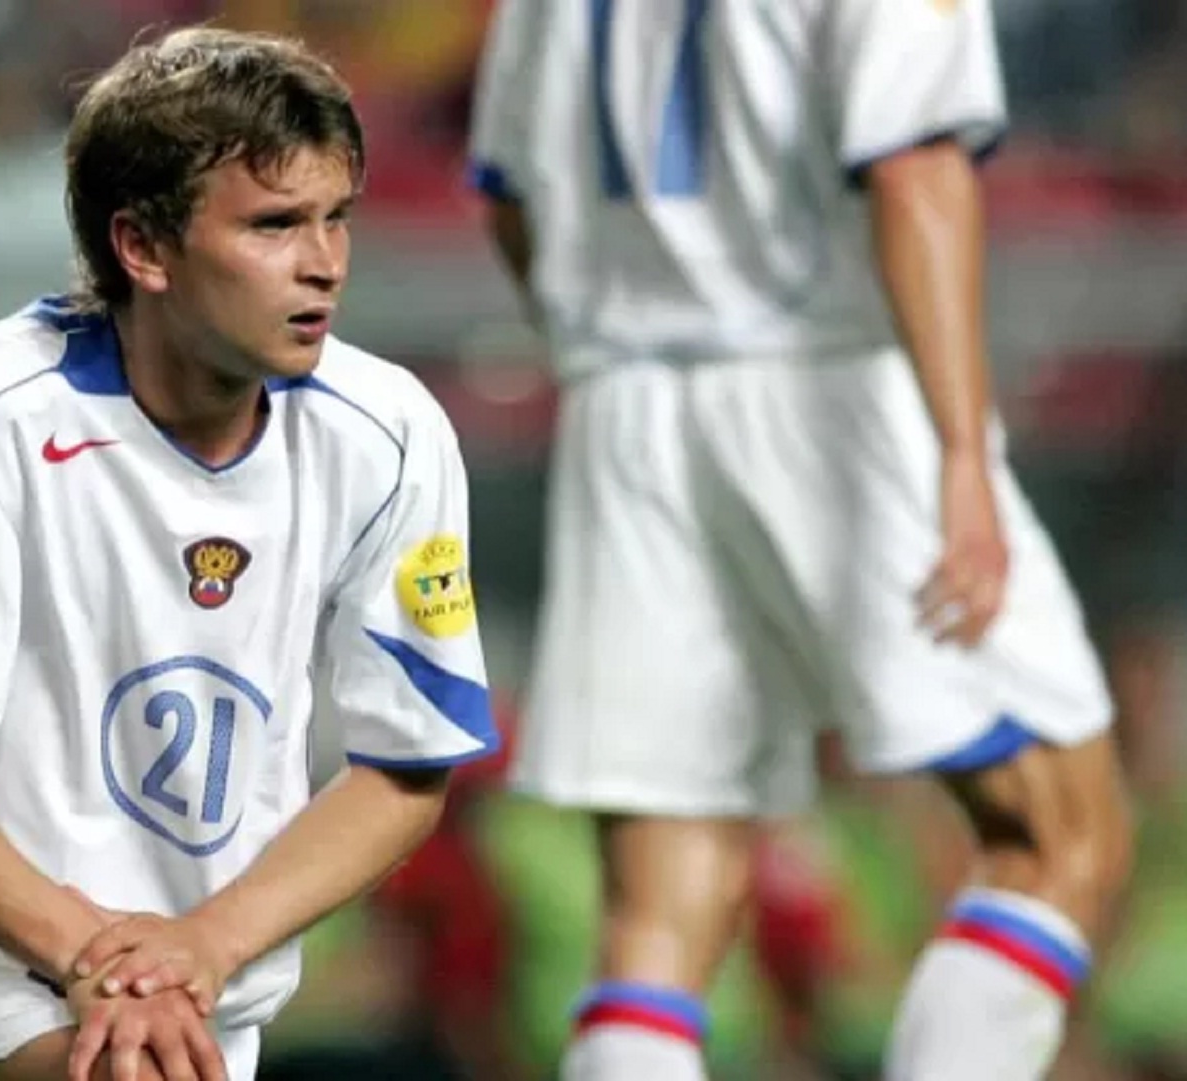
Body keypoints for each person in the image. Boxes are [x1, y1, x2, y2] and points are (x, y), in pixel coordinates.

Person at [0, 26, 500, 1081]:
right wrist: (101, 957)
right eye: (274, 224)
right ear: (144, 247)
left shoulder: (389, 433)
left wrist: (203, 945)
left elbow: (406, 766)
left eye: (336, 217)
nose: (323, 262)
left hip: (196, 981)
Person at [467, 2, 1134, 1078]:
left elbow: (509, 199)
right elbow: (915, 167)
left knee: (657, 913)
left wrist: (612, 351)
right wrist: (962, 452)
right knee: (1061, 830)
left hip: (623, 406)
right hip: (833, 389)